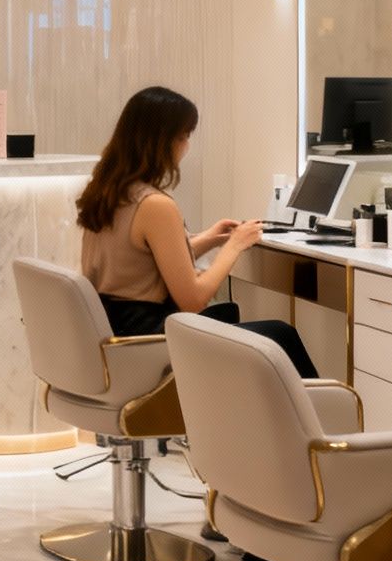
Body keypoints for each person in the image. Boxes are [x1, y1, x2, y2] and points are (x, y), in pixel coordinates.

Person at [75, 86, 318, 379]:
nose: (187, 146)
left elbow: (138, 264)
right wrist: (233, 247)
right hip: (151, 343)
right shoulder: (155, 206)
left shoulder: (108, 193)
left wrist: (210, 240)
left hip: (119, 336)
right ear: (161, 141)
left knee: (233, 317)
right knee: (280, 335)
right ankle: (323, 424)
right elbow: (193, 299)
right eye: (184, 136)